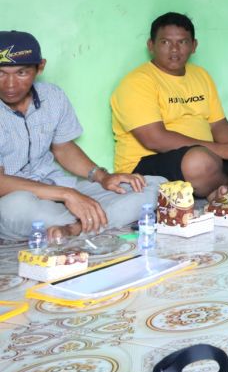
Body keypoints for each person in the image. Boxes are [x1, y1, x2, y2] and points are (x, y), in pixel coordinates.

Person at [0, 31, 161, 242]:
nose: (10, 84)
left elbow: (63, 148)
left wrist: (103, 177)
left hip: (57, 186)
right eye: (1, 73)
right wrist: (68, 196)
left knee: (156, 186)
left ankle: (73, 228)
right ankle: (90, 219)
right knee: (15, 208)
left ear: (40, 67)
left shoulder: (52, 96)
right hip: (17, 197)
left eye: (21, 73)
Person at [111, 12, 228, 200]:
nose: (174, 49)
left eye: (182, 42)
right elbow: (155, 139)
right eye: (165, 42)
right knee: (198, 161)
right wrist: (222, 150)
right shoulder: (137, 82)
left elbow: (218, 125)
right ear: (151, 45)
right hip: (148, 164)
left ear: (194, 46)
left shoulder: (200, 75)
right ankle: (224, 185)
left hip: (208, 155)